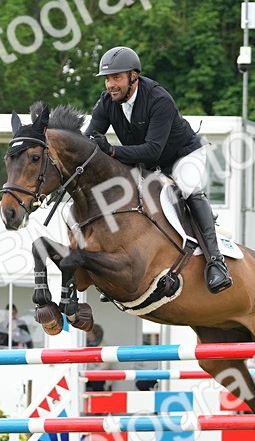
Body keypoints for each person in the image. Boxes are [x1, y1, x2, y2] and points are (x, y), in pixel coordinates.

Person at [83, 46, 232, 293]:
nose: (110, 85)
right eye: (108, 79)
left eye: (116, 77)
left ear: (134, 76)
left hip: (183, 155)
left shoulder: (158, 99)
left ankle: (216, 263)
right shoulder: (107, 102)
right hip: (149, 163)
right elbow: (89, 138)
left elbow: (152, 150)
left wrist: (111, 151)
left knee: (187, 188)